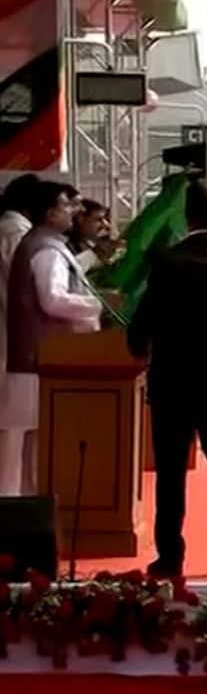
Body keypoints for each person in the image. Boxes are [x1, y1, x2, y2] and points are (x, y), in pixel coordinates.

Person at [127, 177, 207, 578]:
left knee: (171, 472)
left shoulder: (169, 261)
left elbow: (145, 317)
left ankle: (171, 556)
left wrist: (136, 342)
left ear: (185, 213)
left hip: (174, 384)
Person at [1, 182, 104, 496]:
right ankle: (13, 515)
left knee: (27, 446)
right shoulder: (42, 246)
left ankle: (24, 514)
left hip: (36, 355)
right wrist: (98, 304)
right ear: (48, 212)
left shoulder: (41, 242)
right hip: (36, 356)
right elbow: (52, 298)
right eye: (66, 205)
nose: (74, 210)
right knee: (16, 446)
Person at [0, 175, 40, 491]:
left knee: (18, 432)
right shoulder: (14, 233)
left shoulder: (19, 232)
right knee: (11, 434)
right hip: (8, 342)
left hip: (14, 341)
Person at [68, 199, 123, 274]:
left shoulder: (86, 244)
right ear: (80, 219)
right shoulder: (66, 246)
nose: (106, 225)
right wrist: (92, 256)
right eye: (99, 220)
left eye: (106, 220)